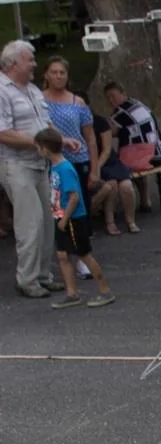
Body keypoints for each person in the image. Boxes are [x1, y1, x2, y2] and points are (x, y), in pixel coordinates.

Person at [1, 40, 63, 298]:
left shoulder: (33, 90)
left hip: (40, 163)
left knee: (48, 221)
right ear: (14, 63)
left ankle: (43, 275)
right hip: (16, 164)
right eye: (30, 60)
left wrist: (59, 140)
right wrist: (39, 142)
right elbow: (3, 132)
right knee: (30, 222)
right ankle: (27, 280)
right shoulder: (1, 91)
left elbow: (45, 123)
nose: (35, 65)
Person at [38, 127, 112, 309]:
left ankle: (105, 290)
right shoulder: (54, 167)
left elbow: (74, 196)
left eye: (39, 148)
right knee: (62, 255)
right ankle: (72, 293)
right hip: (60, 216)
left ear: (45, 149)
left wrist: (64, 218)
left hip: (72, 218)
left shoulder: (65, 168)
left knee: (83, 254)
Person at [104, 80, 161, 214]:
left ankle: (112, 206)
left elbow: (109, 132)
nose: (111, 100)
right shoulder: (138, 105)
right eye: (108, 98)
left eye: (113, 96)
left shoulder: (121, 112)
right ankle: (145, 201)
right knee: (135, 161)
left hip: (149, 156)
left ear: (123, 94)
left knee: (114, 166)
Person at [39, 58, 94, 203]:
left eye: (62, 72)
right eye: (54, 72)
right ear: (46, 75)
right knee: (57, 205)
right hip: (51, 161)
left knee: (80, 202)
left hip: (78, 159)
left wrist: (95, 170)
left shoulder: (78, 102)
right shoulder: (37, 100)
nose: (58, 76)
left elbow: (90, 137)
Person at [89, 106, 137, 235]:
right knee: (112, 186)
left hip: (108, 161)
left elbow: (107, 149)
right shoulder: (76, 124)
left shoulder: (100, 122)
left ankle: (131, 221)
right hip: (90, 162)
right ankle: (110, 223)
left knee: (127, 186)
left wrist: (97, 166)